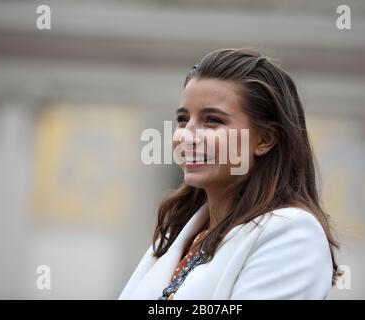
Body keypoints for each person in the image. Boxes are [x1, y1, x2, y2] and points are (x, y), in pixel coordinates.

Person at [119, 48, 339, 300]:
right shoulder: (178, 235)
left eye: (212, 120)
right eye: (182, 119)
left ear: (265, 139)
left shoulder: (291, 233)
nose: (186, 136)